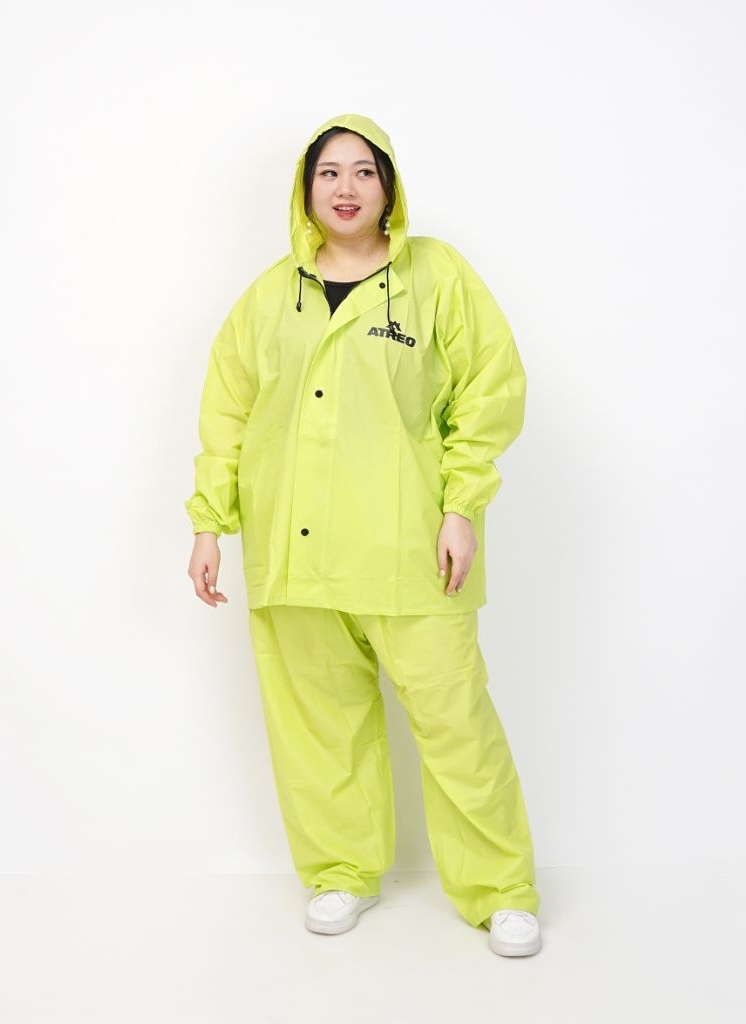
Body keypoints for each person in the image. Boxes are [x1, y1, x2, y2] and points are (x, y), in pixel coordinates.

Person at [186, 114, 541, 957]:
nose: (345, 188)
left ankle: (501, 888)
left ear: (389, 187)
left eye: (363, 172)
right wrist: (209, 523)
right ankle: (340, 871)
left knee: (455, 720)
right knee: (319, 723)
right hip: (295, 548)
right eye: (328, 173)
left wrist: (462, 507)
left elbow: (490, 390)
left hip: (408, 548)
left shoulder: (436, 276)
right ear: (305, 190)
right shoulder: (269, 297)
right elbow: (227, 414)